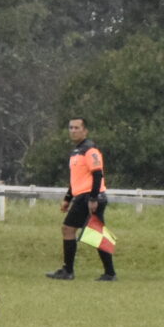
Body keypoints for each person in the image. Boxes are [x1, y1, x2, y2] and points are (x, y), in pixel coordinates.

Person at [46, 116, 115, 281]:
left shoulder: (90, 150)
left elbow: (97, 174)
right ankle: (109, 273)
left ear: (85, 131)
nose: (73, 131)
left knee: (69, 229)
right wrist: (68, 198)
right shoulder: (76, 152)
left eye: (77, 128)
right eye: (71, 128)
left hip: (89, 197)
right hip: (83, 196)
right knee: (95, 233)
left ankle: (68, 271)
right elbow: (76, 180)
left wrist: (93, 198)